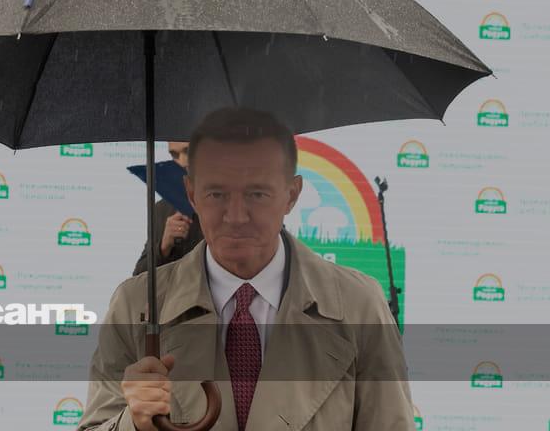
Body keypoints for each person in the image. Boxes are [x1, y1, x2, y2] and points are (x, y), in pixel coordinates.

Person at [79, 108, 413, 431]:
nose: (236, 216)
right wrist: (133, 424)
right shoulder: (135, 305)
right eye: (217, 194)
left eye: (256, 194)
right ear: (191, 194)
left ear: (291, 195)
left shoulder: (359, 305)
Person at [131, 142, 204, 276]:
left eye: (188, 151)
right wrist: (163, 247)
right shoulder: (162, 209)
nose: (182, 162)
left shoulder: (231, 202)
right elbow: (139, 278)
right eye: (174, 154)